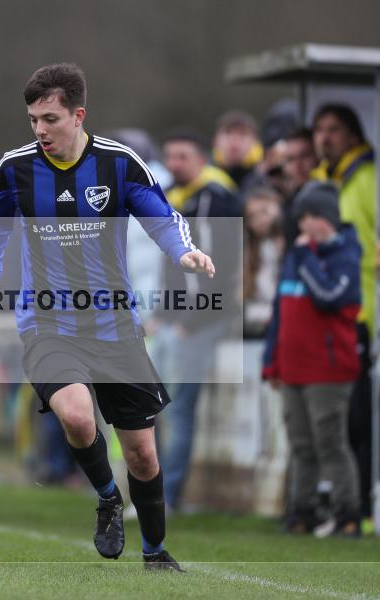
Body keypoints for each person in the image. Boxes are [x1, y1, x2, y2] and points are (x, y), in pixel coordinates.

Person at [0, 63, 216, 572]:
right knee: (79, 418)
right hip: (48, 324)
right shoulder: (14, 168)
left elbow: (157, 211)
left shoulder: (119, 163)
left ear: (78, 115)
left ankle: (155, 553)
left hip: (114, 327)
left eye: (51, 118)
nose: (40, 130)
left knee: (143, 456)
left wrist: (182, 251)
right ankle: (107, 498)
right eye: (33, 119)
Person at [262, 181, 363, 537]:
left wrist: (306, 258)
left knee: (331, 443)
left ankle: (347, 515)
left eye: (312, 217)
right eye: (301, 217)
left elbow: (329, 298)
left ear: (329, 219)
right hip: (292, 369)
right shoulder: (296, 256)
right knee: (301, 446)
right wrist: (271, 360)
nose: (305, 226)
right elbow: (280, 311)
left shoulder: (345, 255)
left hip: (329, 370)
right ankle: (300, 514)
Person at [154, 129, 242, 511]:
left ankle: (167, 497)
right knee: (150, 408)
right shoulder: (172, 198)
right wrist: (160, 314)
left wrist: (190, 321)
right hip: (170, 321)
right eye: (170, 156)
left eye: (183, 156)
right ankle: (153, 491)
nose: (175, 164)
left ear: (202, 159)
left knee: (178, 410)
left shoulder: (216, 200)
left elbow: (221, 266)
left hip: (198, 324)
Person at [310, 103, 375, 518]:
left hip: (360, 316)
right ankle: (330, 504)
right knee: (325, 424)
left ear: (353, 135)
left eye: (334, 129)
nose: (325, 138)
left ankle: (362, 507)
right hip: (322, 319)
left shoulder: (369, 180)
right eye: (319, 130)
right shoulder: (320, 182)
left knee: (356, 420)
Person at [242, 187, 285, 336]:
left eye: (264, 212)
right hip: (257, 324)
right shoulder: (249, 251)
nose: (258, 220)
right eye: (252, 216)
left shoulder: (285, 248)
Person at [280, 127, 319, 249]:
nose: (298, 165)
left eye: (305, 156)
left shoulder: (327, 200)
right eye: (290, 159)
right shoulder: (286, 202)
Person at [212, 110, 262, 194]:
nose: (235, 139)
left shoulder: (268, 181)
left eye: (243, 134)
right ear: (215, 141)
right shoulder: (198, 181)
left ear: (255, 142)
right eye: (228, 133)